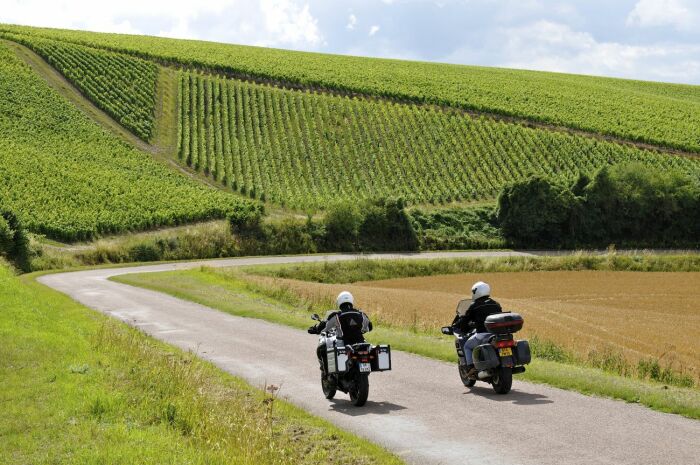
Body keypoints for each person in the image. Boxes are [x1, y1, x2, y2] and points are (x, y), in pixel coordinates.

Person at [308, 291, 373, 373]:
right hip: (361, 344)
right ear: (351, 301)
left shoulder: (337, 316)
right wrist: (358, 329)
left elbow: (324, 327)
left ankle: (326, 372)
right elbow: (369, 327)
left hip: (343, 344)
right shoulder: (362, 315)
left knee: (322, 347)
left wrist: (315, 329)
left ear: (339, 302)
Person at [450, 281, 502, 375]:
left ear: (477, 291)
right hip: (496, 334)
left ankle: (471, 368)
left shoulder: (475, 305)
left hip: (482, 335)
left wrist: (458, 326)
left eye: (473, 292)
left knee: (467, 346)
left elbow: (465, 320)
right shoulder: (496, 304)